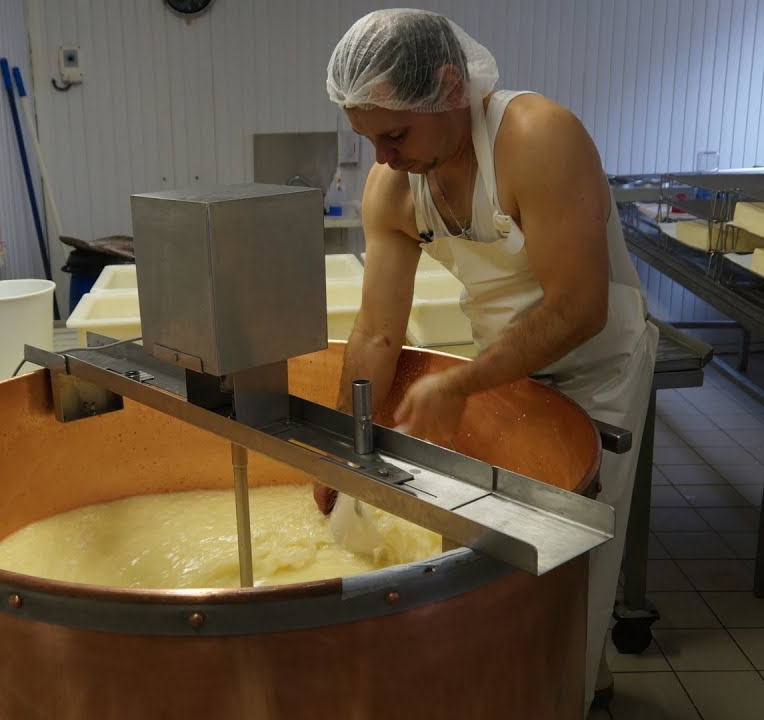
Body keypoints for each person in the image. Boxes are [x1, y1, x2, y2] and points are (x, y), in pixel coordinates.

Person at [319, 8, 659, 712]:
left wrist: (463, 383)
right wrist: (340, 444)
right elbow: (376, 332)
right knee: (510, 557)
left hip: (598, 367)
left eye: (394, 135)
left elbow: (576, 309)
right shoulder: (394, 185)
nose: (382, 157)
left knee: (576, 557)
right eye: (368, 139)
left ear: (449, 87)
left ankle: (570, 692)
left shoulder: (536, 137)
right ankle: (570, 675)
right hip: (505, 368)